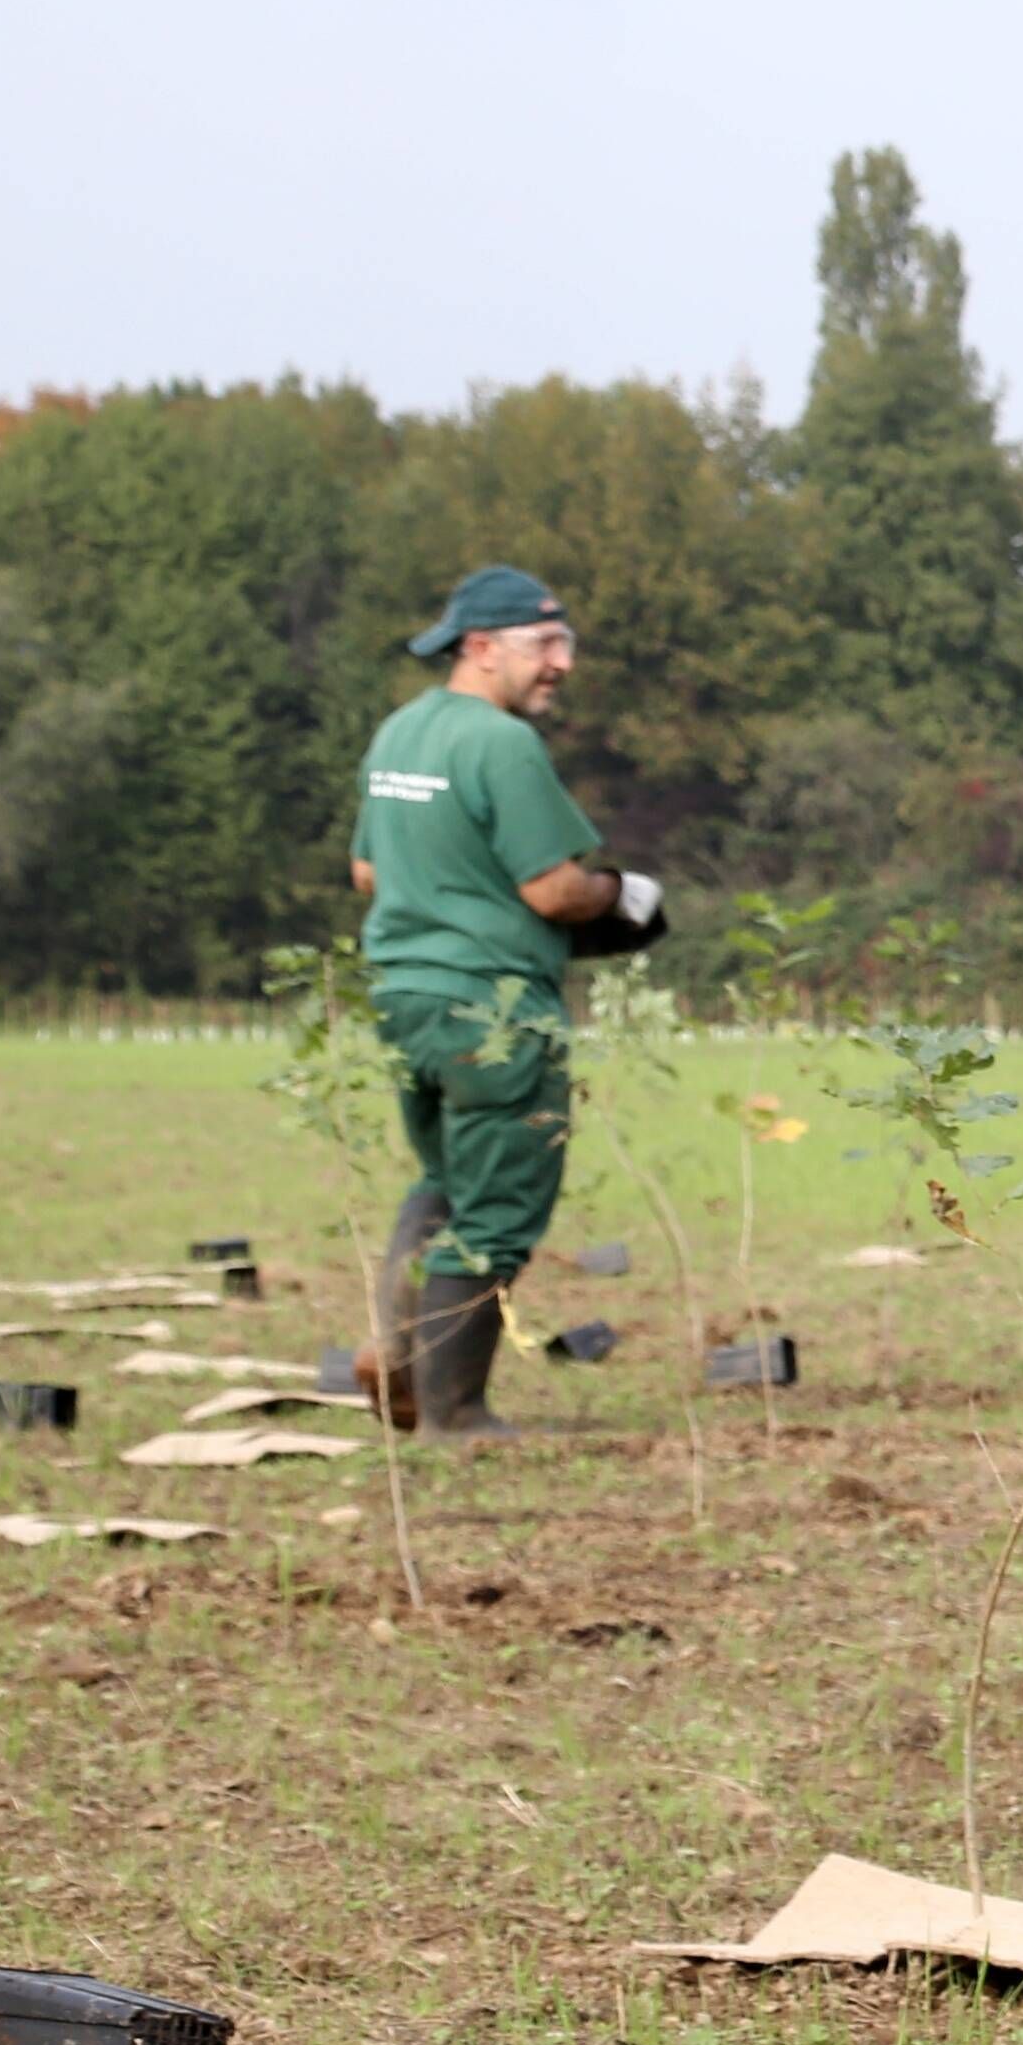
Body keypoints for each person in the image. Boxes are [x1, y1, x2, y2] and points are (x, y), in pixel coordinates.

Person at [347, 566, 662, 1438]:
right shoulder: (499, 744)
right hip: (492, 1005)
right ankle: (452, 1411)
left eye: (567, 644)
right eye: (543, 645)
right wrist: (623, 894)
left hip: (404, 992)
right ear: (480, 648)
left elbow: (367, 872)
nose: (561, 663)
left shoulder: (399, 735)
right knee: (499, 1204)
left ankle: (397, 1351)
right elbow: (555, 892)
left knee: (446, 1178)